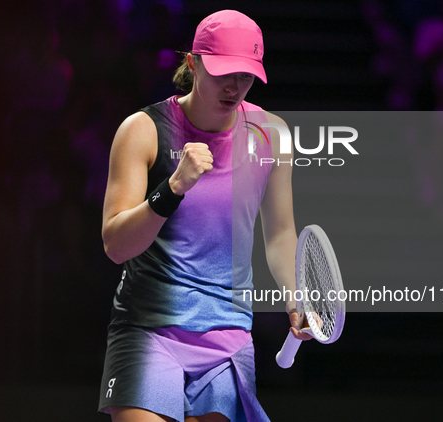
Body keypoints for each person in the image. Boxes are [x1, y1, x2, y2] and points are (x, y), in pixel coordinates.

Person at [98, 10, 310, 422]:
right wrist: (173, 187)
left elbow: (281, 235)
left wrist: (293, 296)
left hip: (227, 336)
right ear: (193, 63)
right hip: (147, 328)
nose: (235, 86)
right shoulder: (142, 130)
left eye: (246, 76)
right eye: (224, 72)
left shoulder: (271, 135)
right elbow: (115, 246)